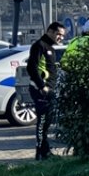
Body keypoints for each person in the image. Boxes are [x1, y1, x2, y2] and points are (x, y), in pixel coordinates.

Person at [28, 21, 66, 160]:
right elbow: (31, 68)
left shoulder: (51, 48)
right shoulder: (39, 46)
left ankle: (46, 151)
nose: (60, 37)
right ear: (50, 31)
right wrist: (41, 86)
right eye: (58, 34)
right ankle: (39, 153)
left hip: (50, 90)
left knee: (47, 122)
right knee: (42, 122)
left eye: (62, 35)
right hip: (41, 90)